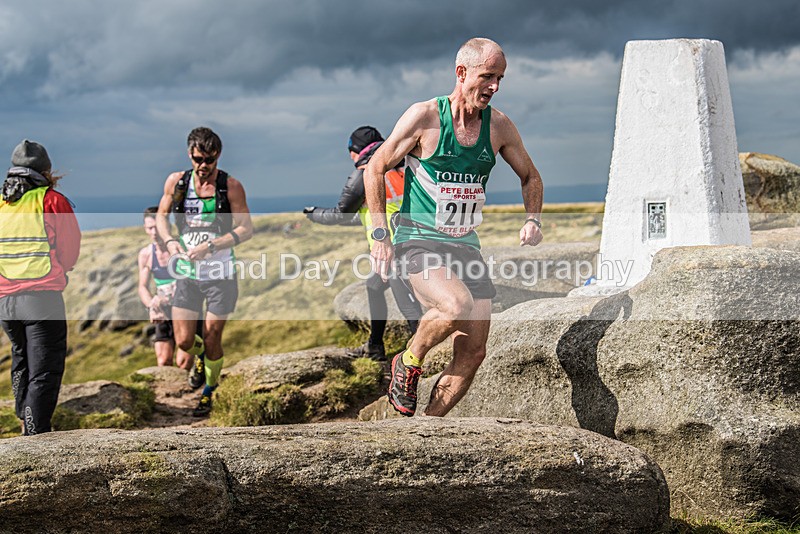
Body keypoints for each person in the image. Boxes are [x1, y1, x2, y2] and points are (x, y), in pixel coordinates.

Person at [365, 38, 544, 417]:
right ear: (462, 73)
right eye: (488, 77)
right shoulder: (425, 117)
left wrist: (533, 218)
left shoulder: (498, 126)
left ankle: (426, 426)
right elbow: (375, 168)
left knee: (474, 352)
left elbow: (530, 175)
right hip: (419, 241)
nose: (494, 87)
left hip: (466, 247)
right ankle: (409, 360)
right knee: (455, 304)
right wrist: (381, 237)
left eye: (500, 78)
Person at [156, 127, 254, 416]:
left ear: (218, 156)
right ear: (190, 155)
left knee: (212, 336)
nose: (203, 166)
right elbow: (161, 218)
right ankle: (201, 360)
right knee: (184, 342)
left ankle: (209, 391)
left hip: (220, 275)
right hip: (186, 273)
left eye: (209, 159)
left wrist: (211, 246)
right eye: (198, 159)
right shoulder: (177, 182)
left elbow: (246, 228)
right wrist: (171, 241)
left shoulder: (231, 186)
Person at [304, 126, 421, 361]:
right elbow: (368, 213)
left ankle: (422, 355)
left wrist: (313, 212)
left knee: (408, 305)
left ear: (355, 151)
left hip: (394, 245)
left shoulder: (366, 171)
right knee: (374, 286)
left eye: (350, 153)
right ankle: (375, 346)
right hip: (413, 235)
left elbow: (342, 213)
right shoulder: (400, 162)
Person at [0, 140, 81, 435]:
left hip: (5, 302)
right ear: (45, 171)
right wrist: (61, 270)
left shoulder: (2, 204)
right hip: (41, 298)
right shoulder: (51, 201)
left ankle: (24, 419)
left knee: (20, 357)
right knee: (45, 369)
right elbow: (70, 250)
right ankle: (35, 435)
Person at [137, 206, 197, 376]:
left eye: (157, 227)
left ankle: (190, 392)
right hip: (164, 311)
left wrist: (166, 296)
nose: (154, 232)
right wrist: (152, 305)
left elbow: (191, 279)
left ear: (166, 226)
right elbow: (142, 286)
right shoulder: (146, 254)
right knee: (163, 361)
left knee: (183, 362)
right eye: (150, 228)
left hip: (186, 309)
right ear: (145, 229)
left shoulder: (181, 247)